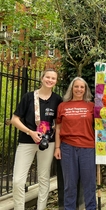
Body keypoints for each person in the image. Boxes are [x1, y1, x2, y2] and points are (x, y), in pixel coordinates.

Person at [11, 68, 62, 210]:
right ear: (42, 78)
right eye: (48, 77)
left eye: (53, 78)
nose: (50, 80)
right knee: (18, 181)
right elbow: (14, 120)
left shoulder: (57, 100)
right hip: (27, 141)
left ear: (56, 81)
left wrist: (57, 146)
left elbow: (59, 125)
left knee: (44, 178)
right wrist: (30, 132)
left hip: (48, 143)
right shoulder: (28, 97)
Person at [54, 77, 96, 210]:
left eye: (82, 87)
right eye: (76, 86)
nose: (79, 89)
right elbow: (58, 128)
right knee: (69, 185)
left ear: (85, 89)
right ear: (72, 88)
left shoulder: (91, 106)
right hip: (67, 148)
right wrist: (57, 147)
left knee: (89, 184)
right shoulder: (62, 106)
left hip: (87, 148)